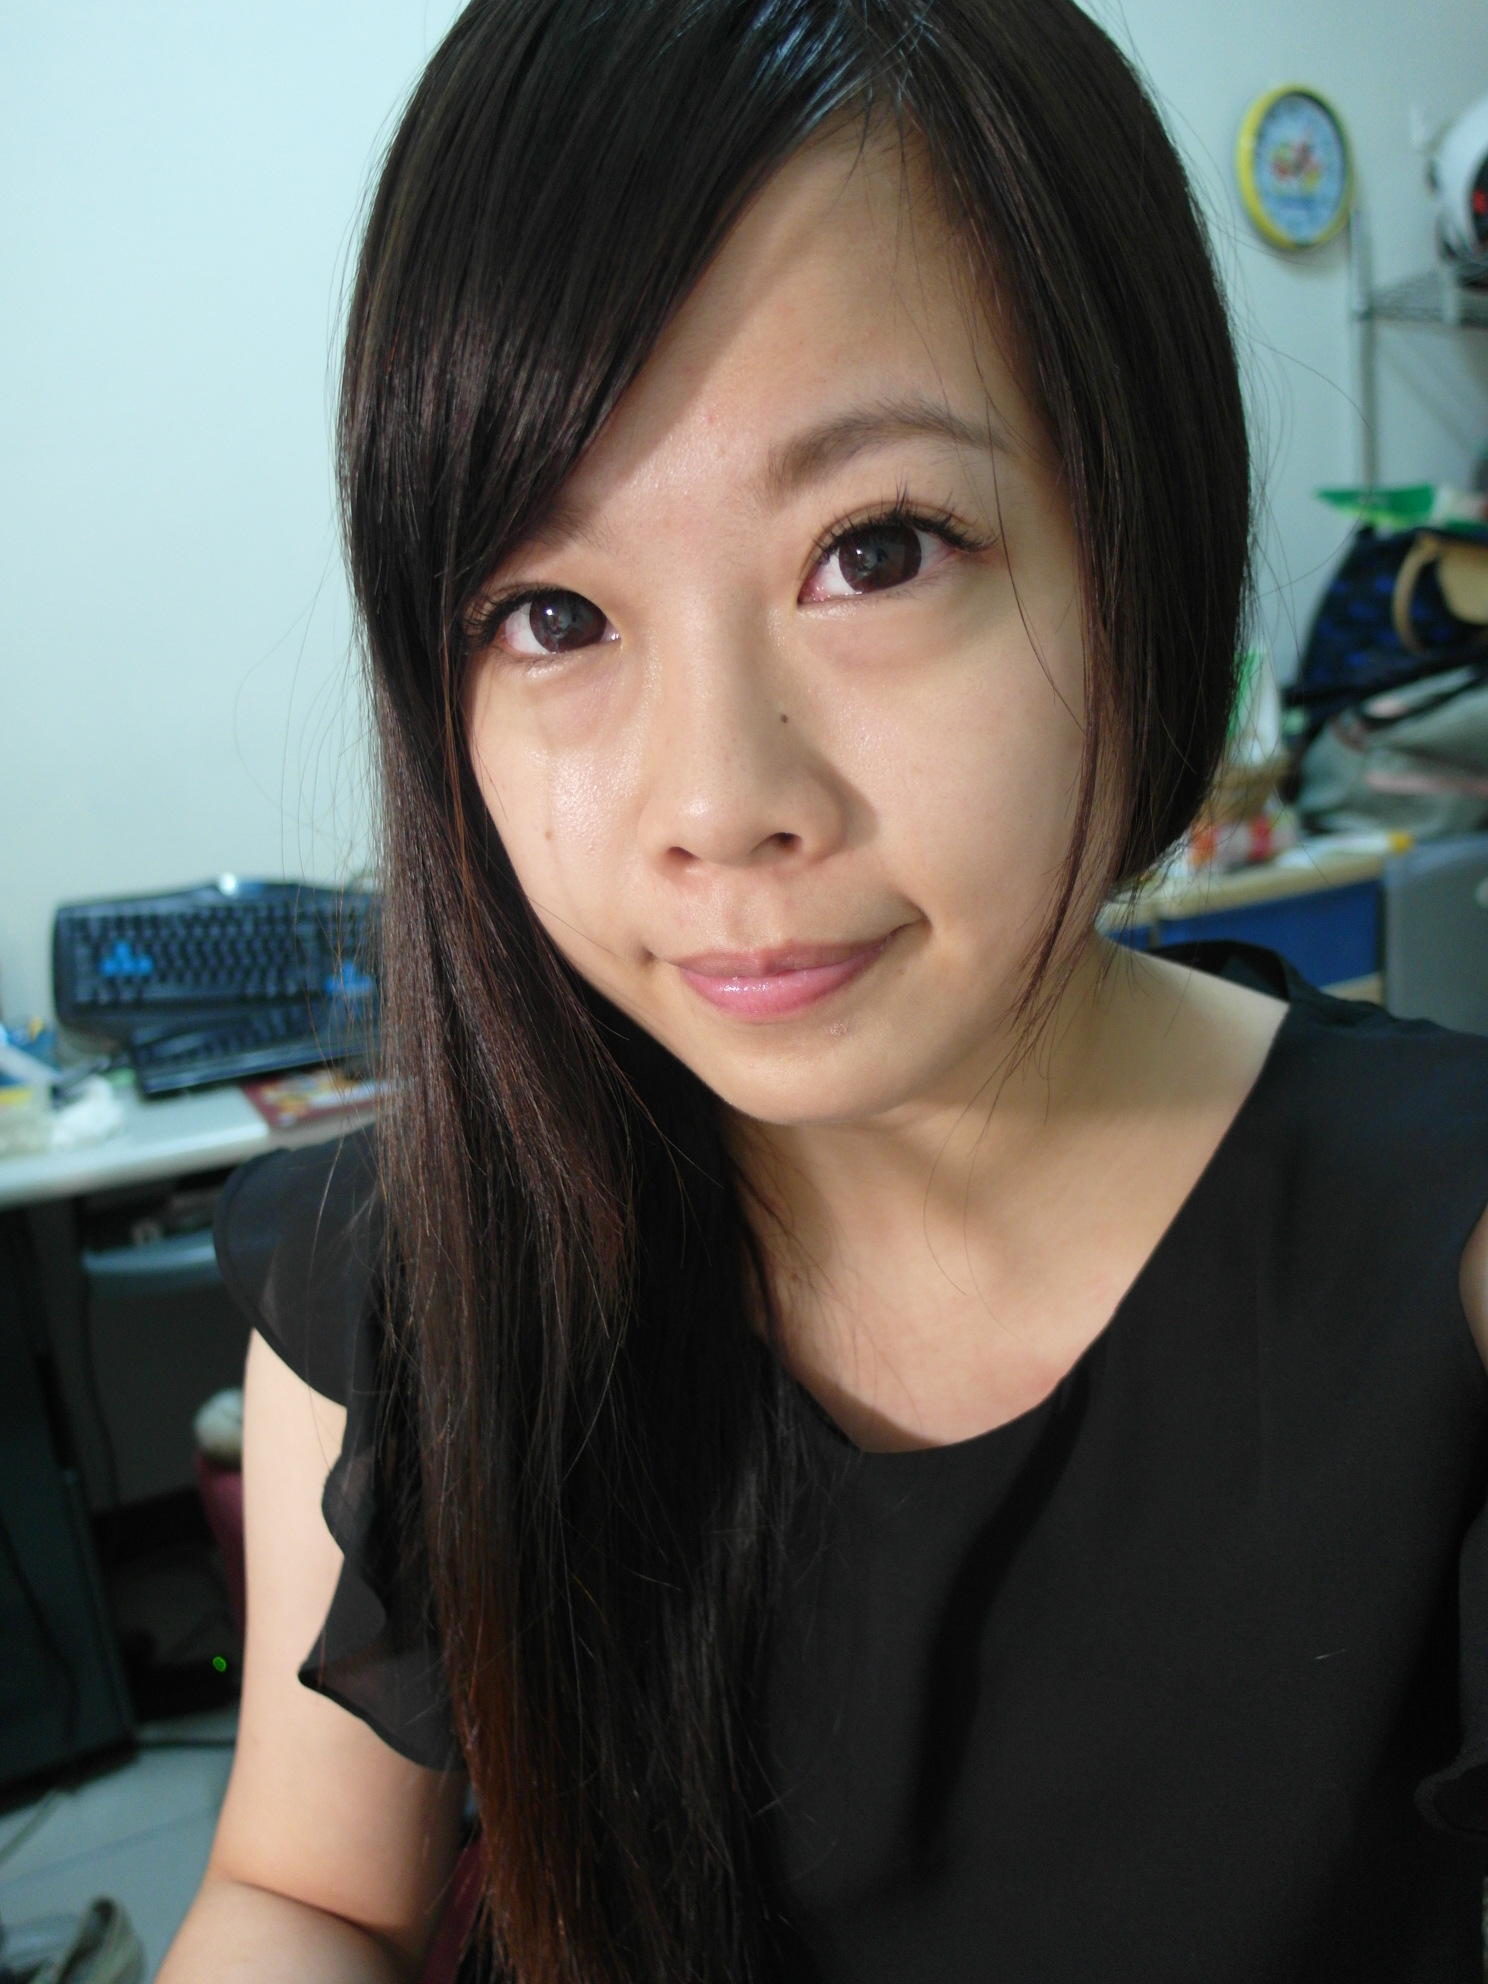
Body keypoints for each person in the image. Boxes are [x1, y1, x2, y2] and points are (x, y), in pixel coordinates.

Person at [160, 1, 1488, 1978]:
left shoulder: (1444, 1271)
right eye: (553, 612)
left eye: (877, 550)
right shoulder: (405, 1280)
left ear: (1137, 540)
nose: (717, 803)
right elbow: (307, 1891)